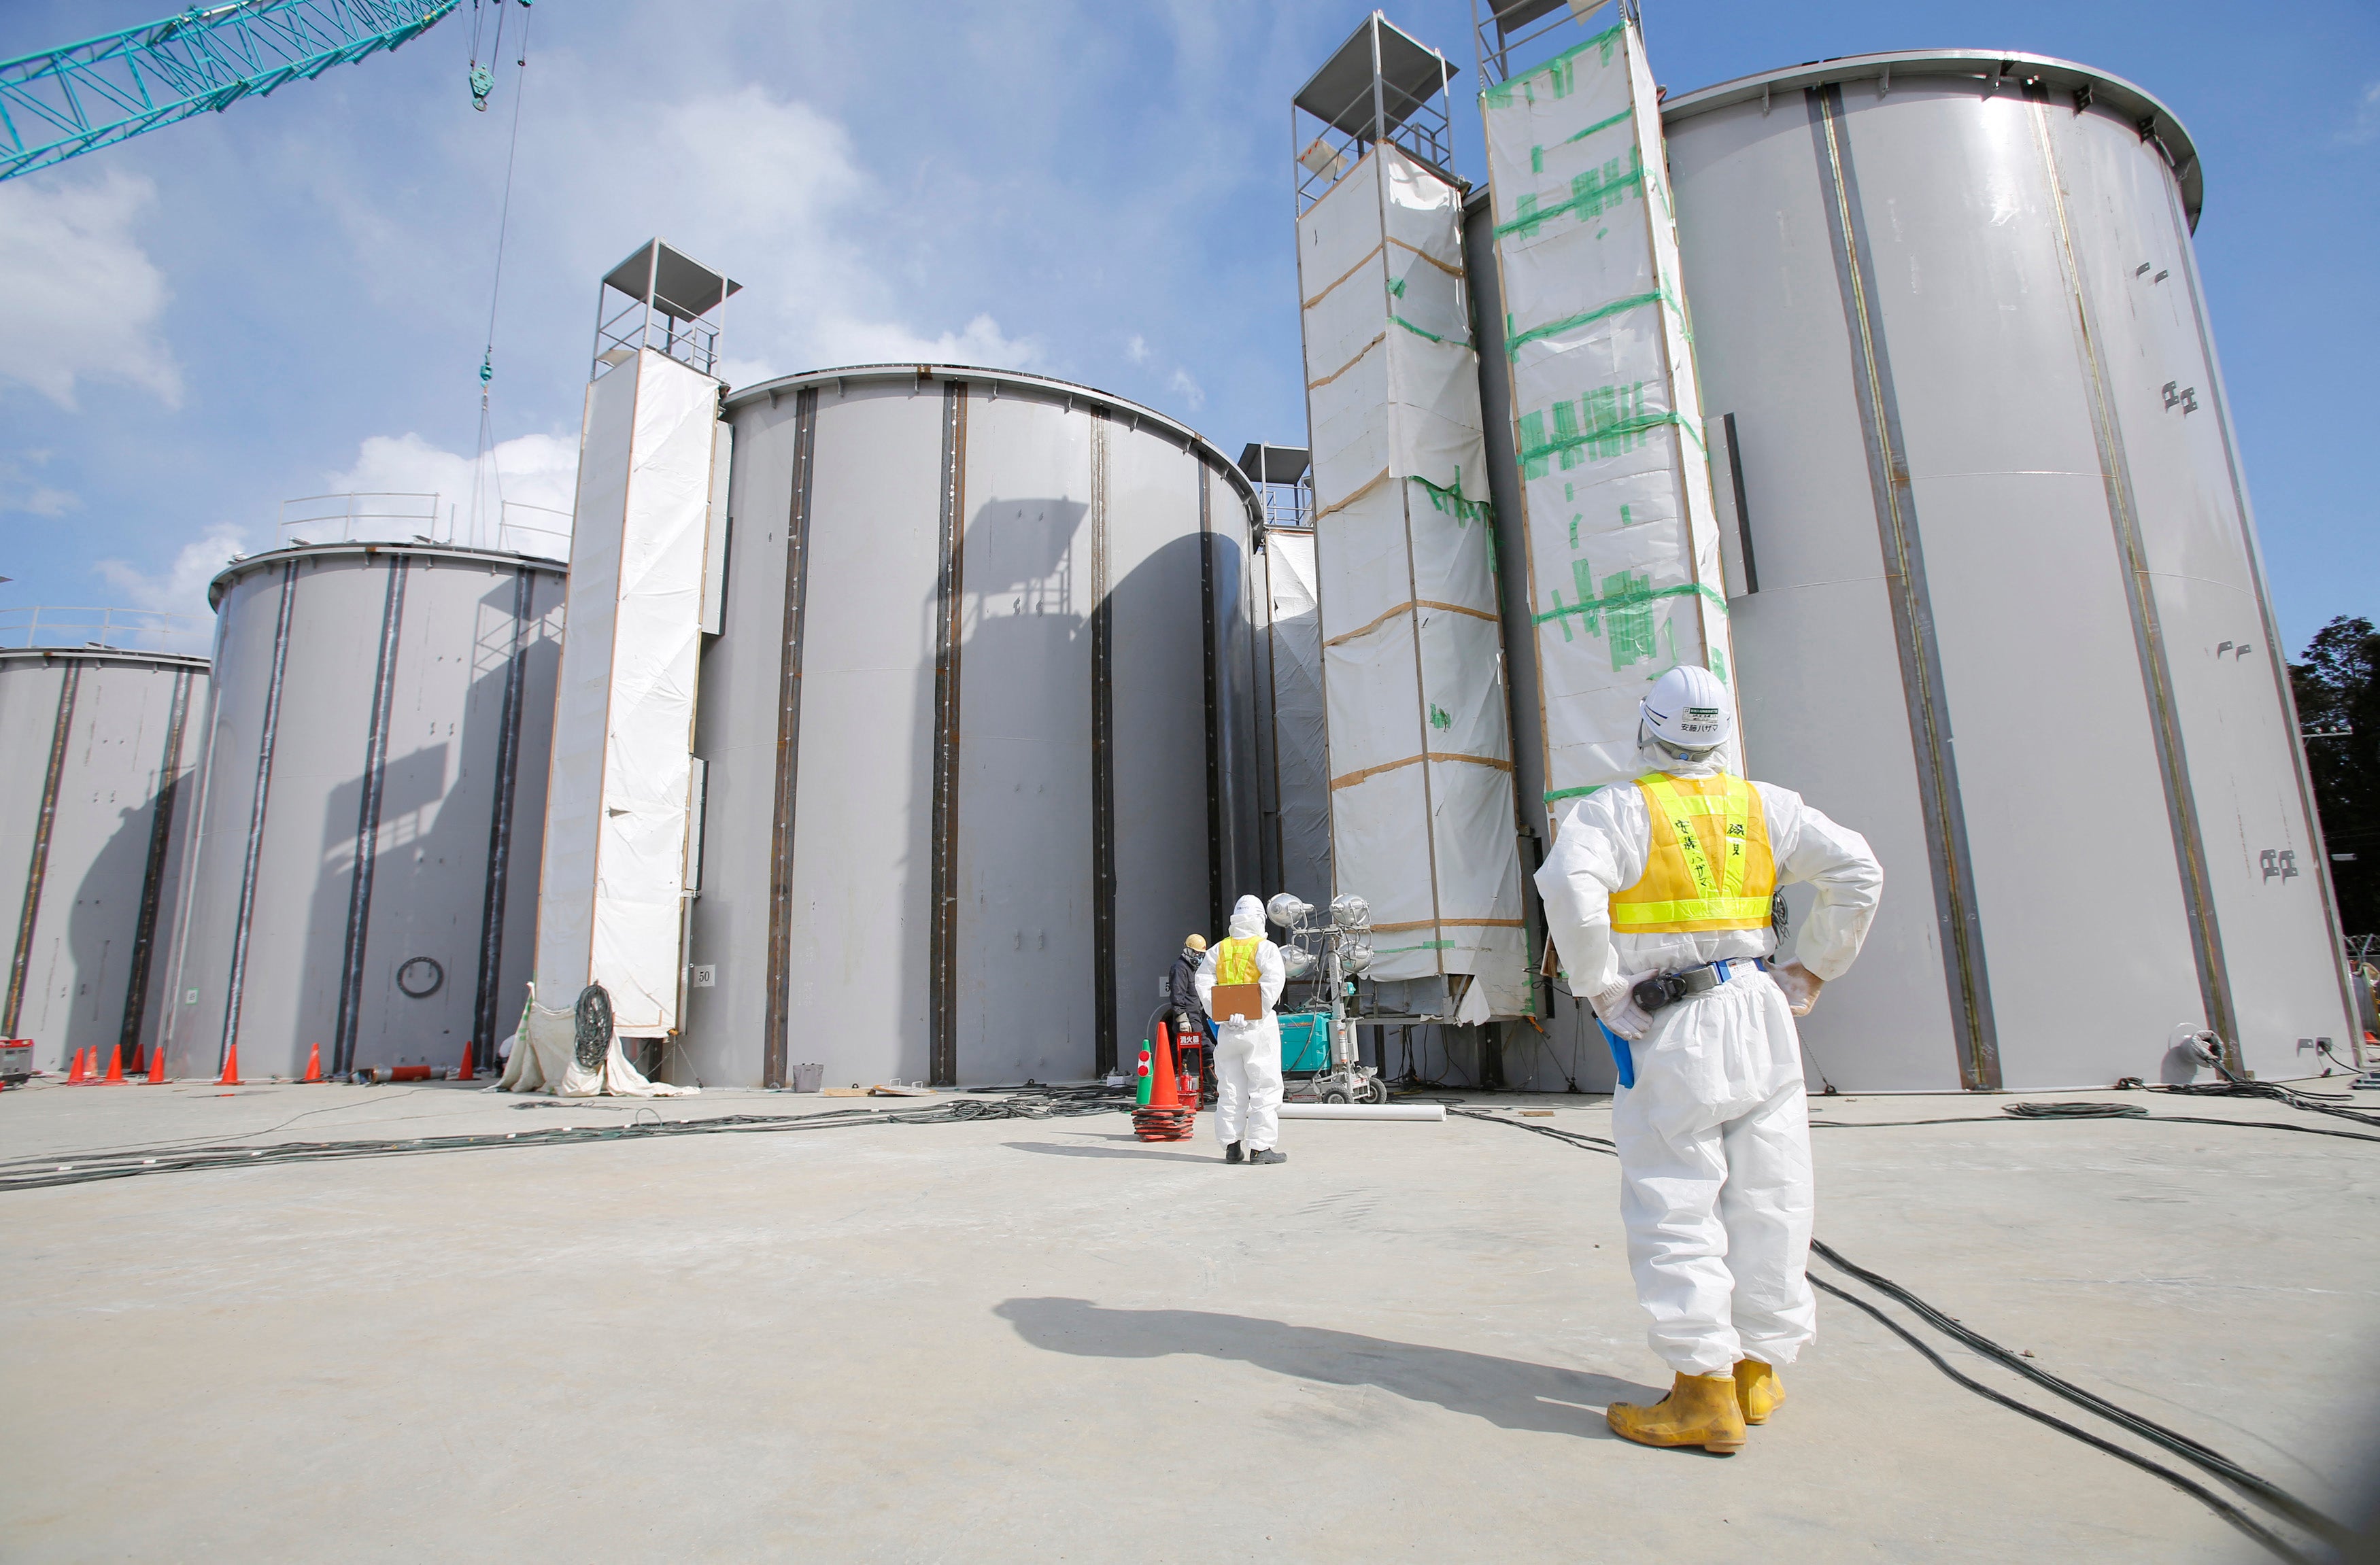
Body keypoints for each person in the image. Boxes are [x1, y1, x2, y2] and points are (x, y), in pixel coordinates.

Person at [1535, 664, 1882, 1455]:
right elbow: (1857, 869)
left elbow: (1568, 887)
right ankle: (1758, 1369)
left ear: (1644, 729)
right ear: (1723, 735)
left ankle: (1701, 1389)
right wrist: (1814, 965)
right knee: (1772, 1192)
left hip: (1674, 1019)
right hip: (1759, 1007)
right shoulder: (1767, 807)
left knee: (1674, 1196)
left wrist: (1600, 987)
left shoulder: (1617, 811)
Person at [1195, 895, 1287, 1166]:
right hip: (1258, 1029)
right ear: (1260, 918)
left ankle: (1231, 1147)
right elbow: (1273, 983)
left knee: (1231, 1088)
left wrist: (1220, 1012)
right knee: (1265, 1087)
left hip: (1227, 1030)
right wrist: (1251, 1013)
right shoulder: (1266, 948)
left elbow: (1203, 983)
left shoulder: (1218, 951)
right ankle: (1261, 1148)